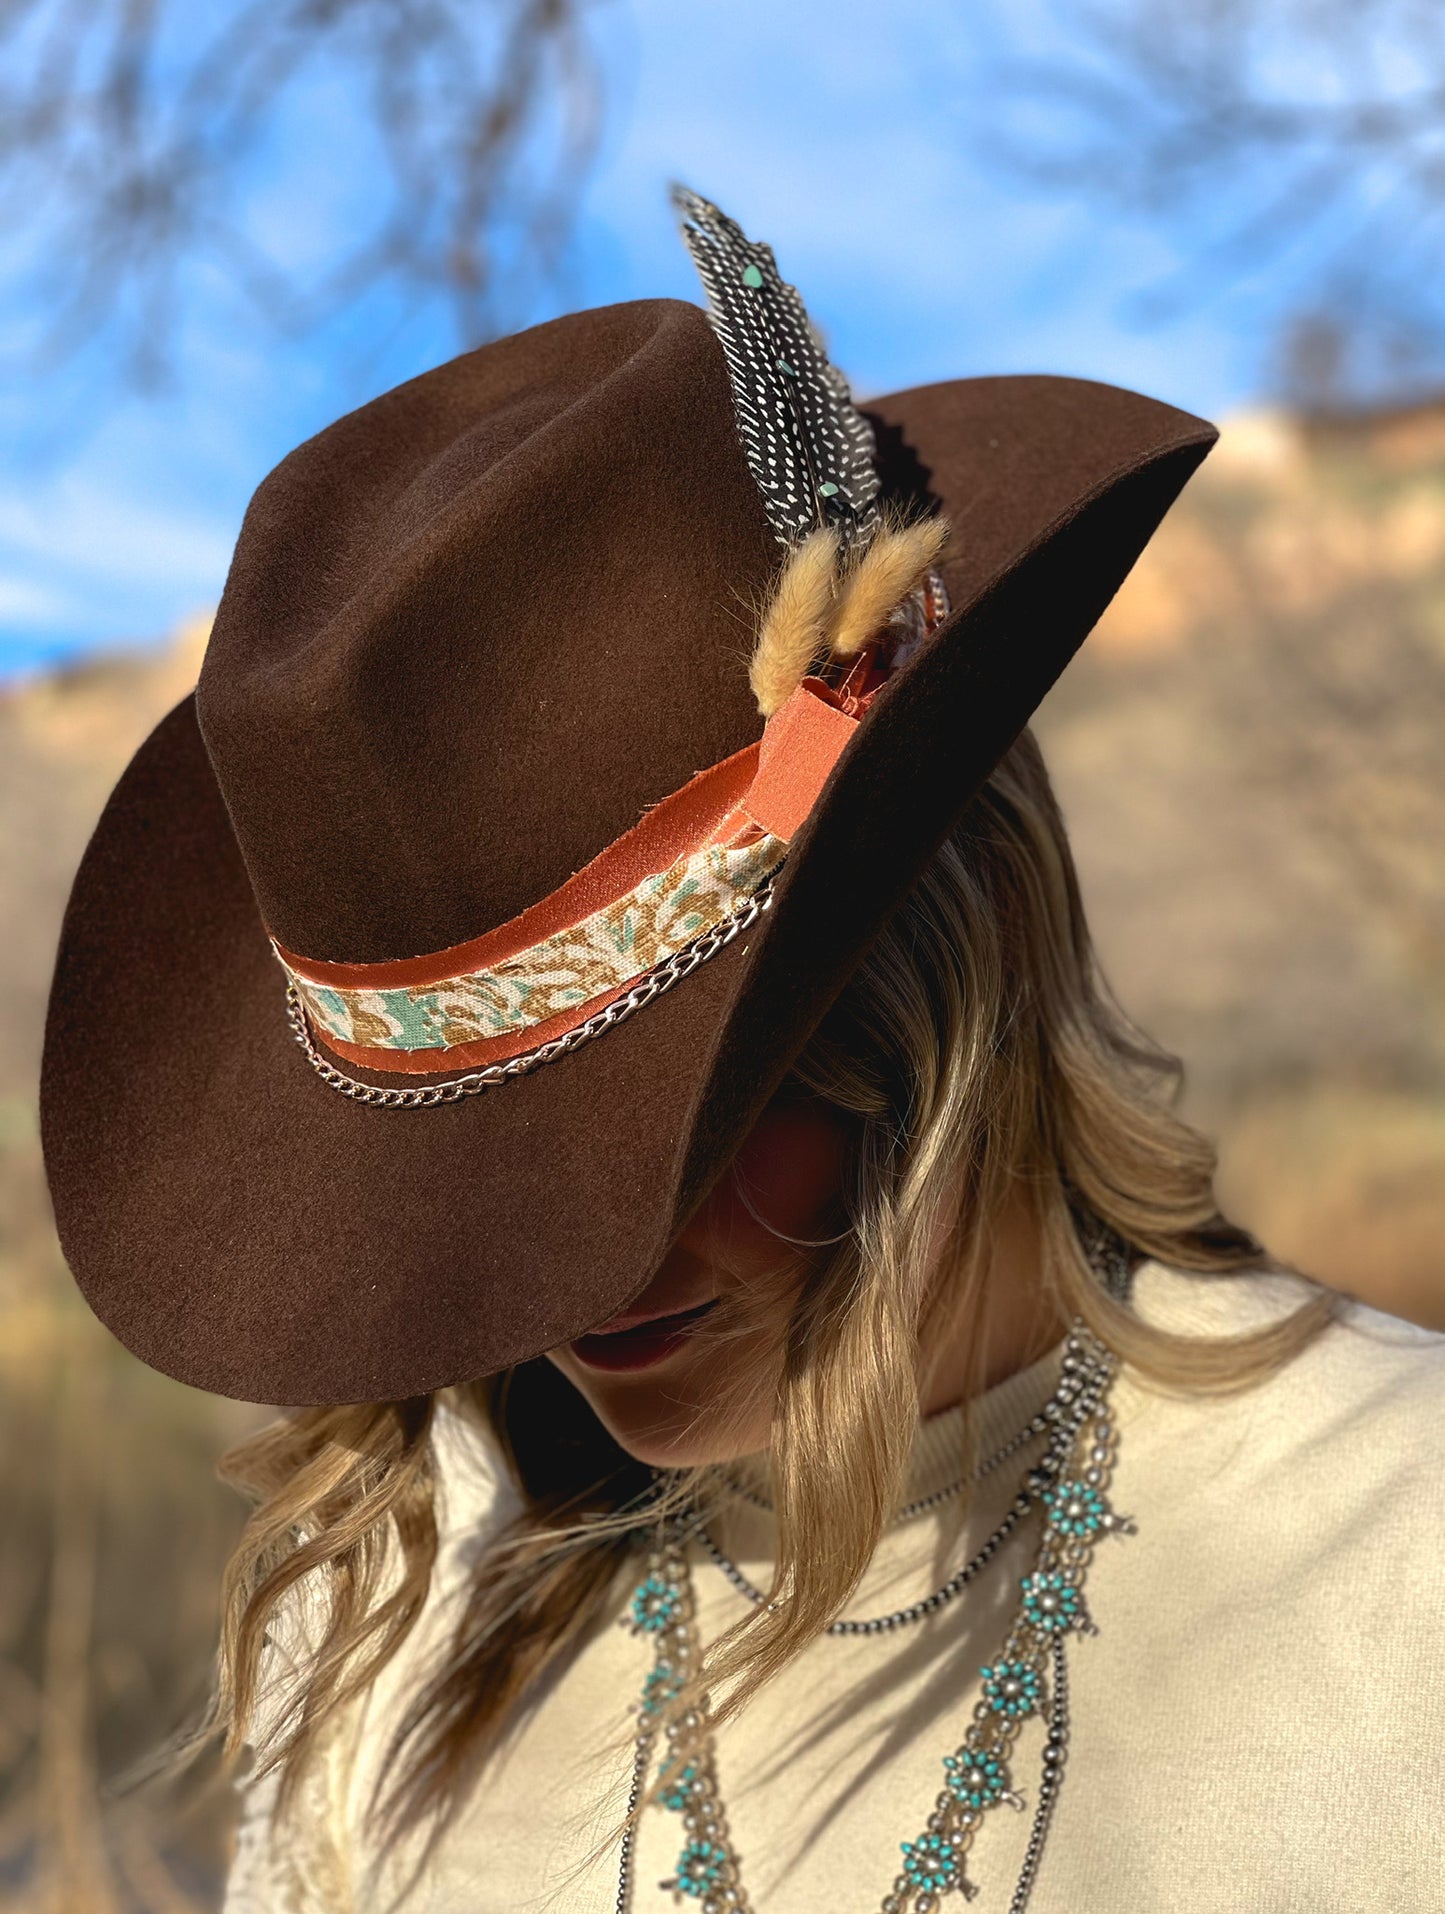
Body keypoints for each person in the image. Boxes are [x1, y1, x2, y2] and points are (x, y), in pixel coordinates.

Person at [41, 190, 1443, 1913]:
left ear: (933, 967)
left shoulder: (1401, 1569)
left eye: (667, 1114)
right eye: (467, 1165)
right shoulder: (391, 1635)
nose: (577, 1275)